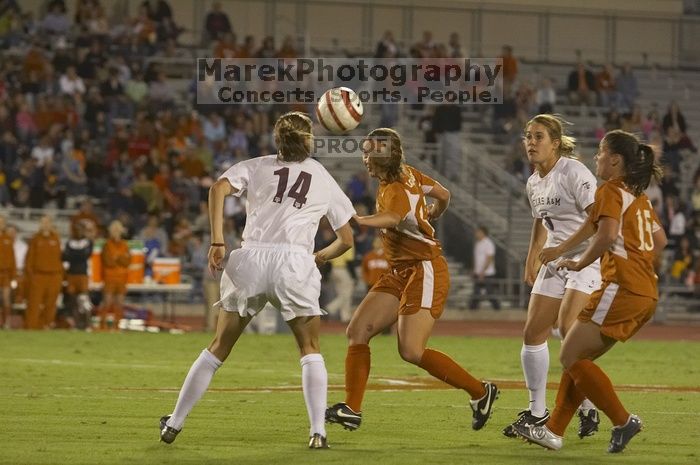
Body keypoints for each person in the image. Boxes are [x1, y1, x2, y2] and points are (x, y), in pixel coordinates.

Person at [158, 111, 355, 449]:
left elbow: (218, 188)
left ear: (277, 140)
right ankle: (318, 431)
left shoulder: (257, 165)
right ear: (309, 141)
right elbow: (347, 239)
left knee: (218, 347)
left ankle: (173, 424)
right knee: (309, 349)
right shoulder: (321, 175)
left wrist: (218, 240)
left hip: (251, 258)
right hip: (293, 262)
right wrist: (317, 257)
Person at [326, 128, 499, 433]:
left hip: (424, 268)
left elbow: (392, 218)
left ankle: (480, 392)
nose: (364, 158)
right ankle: (352, 409)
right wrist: (434, 212)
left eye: (368, 152)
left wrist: (359, 221)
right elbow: (444, 195)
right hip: (401, 270)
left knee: (411, 350)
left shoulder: (395, 187)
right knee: (358, 330)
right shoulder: (408, 174)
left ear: (382, 156)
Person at [514, 130, 667, 454]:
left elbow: (606, 234)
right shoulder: (635, 194)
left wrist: (581, 262)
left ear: (614, 160)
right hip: (644, 291)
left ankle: (623, 420)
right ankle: (553, 431)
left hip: (621, 288)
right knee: (578, 357)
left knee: (570, 355)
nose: (596, 158)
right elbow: (660, 240)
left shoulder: (612, 188)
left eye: (600, 152)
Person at [503, 114, 601, 439]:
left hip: (586, 260)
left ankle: (588, 405)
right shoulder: (534, 181)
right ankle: (537, 412)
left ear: (555, 143)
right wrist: (532, 257)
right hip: (555, 261)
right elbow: (540, 222)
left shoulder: (573, 171)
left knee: (568, 336)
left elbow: (596, 221)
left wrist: (560, 251)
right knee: (533, 333)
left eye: (538, 136)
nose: (531, 142)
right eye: (527, 136)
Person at [24, 216, 63, 330]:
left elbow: (59, 257)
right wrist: (31, 275)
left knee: (51, 303)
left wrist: (60, 274)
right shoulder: (35, 239)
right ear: (40, 225)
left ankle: (47, 325)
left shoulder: (56, 238)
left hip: (54, 275)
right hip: (38, 275)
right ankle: (31, 326)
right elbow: (29, 258)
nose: (45, 225)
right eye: (43, 222)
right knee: (34, 303)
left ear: (51, 224)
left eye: (48, 222)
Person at [62, 221, 94, 329]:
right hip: (72, 274)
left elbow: (85, 256)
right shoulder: (69, 243)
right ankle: (76, 324)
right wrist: (78, 255)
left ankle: (87, 323)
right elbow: (65, 257)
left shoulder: (88, 242)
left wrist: (74, 255)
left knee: (84, 300)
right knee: (73, 300)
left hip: (82, 274)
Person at [100, 220, 131, 330]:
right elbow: (108, 262)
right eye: (114, 230)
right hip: (110, 277)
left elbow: (127, 261)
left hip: (122, 278)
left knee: (120, 303)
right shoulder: (107, 245)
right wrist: (120, 258)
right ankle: (102, 325)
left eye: (118, 229)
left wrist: (118, 257)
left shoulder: (125, 245)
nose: (116, 232)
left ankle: (117, 326)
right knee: (107, 302)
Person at [468, 225, 500, 310]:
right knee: (476, 292)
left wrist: (483, 271)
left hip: (487, 273)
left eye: (478, 232)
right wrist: (474, 269)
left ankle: (497, 309)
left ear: (483, 233)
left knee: (490, 292)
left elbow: (489, 258)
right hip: (478, 272)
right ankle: (472, 309)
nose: (476, 234)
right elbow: (477, 259)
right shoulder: (478, 244)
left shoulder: (488, 243)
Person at [0, 216, 16, 329]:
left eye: (2, 222)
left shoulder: (8, 238)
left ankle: (6, 322)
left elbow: (12, 258)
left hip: (5, 274)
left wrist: (13, 276)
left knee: (6, 299)